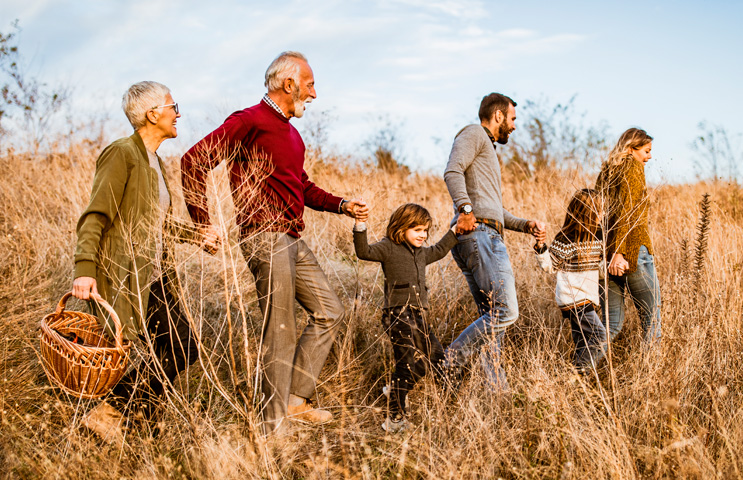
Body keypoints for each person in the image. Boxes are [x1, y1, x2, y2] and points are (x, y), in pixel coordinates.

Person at [181, 51, 368, 434]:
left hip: (291, 237)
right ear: (289, 85)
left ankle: (295, 400)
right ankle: (270, 426)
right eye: (310, 84)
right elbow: (194, 161)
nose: (314, 93)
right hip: (264, 236)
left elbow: (301, 185)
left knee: (329, 310)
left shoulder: (291, 133)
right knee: (279, 328)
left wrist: (342, 205)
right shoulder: (249, 120)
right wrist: (203, 223)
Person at [72, 81, 202, 444]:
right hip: (127, 274)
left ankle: (130, 420)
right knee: (173, 345)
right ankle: (113, 415)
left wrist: (198, 236)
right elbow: (95, 216)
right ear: (152, 114)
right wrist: (85, 270)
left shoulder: (157, 163)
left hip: (158, 276)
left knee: (181, 345)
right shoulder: (122, 154)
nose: (179, 113)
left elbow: (156, 223)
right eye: (173, 106)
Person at [443, 92, 546, 392]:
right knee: (506, 312)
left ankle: (496, 390)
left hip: (482, 233)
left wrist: (524, 224)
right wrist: (464, 210)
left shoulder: (486, 148)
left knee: (492, 321)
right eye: (513, 119)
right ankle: (449, 360)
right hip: (480, 237)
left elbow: (493, 210)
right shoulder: (474, 133)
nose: (514, 126)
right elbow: (452, 171)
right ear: (498, 115)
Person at [353, 203, 458, 432]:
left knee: (436, 356)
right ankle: (395, 418)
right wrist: (360, 225)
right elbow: (364, 252)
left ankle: (399, 387)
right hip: (397, 314)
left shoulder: (421, 252)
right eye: (417, 230)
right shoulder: (388, 248)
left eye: (425, 230)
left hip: (419, 315)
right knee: (406, 363)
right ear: (401, 228)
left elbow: (439, 250)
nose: (423, 235)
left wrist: (455, 232)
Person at [595, 128, 661, 343]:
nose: (649, 157)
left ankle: (581, 367)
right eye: (646, 151)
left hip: (608, 254)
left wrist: (607, 252)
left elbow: (597, 212)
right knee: (652, 322)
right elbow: (628, 211)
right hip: (632, 252)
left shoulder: (607, 171)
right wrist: (620, 252)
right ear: (632, 149)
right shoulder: (632, 167)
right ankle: (652, 375)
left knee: (611, 325)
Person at [534, 189, 607, 371]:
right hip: (573, 298)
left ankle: (576, 381)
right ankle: (578, 374)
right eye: (600, 210)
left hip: (588, 297)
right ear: (589, 212)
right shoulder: (567, 238)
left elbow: (599, 270)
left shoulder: (598, 237)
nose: (603, 213)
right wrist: (541, 247)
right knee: (599, 335)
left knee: (583, 342)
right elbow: (550, 266)